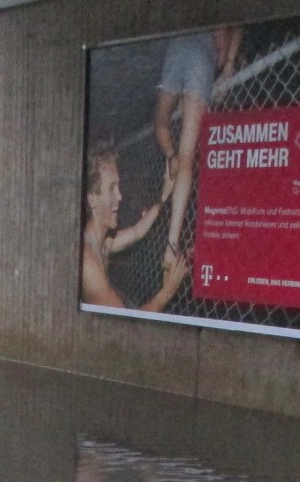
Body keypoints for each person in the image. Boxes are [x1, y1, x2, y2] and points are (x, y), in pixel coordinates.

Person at [155, 26, 242, 271]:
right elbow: (235, 29)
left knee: (160, 122)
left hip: (177, 44)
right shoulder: (217, 42)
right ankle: (171, 247)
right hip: (201, 54)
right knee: (187, 155)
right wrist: (227, 68)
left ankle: (170, 155)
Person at [80, 143, 188, 312]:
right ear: (92, 199)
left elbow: (138, 231)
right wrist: (168, 291)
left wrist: (165, 193)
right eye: (111, 188)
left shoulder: (100, 242)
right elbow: (128, 321)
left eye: (118, 187)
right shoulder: (88, 266)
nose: (120, 196)